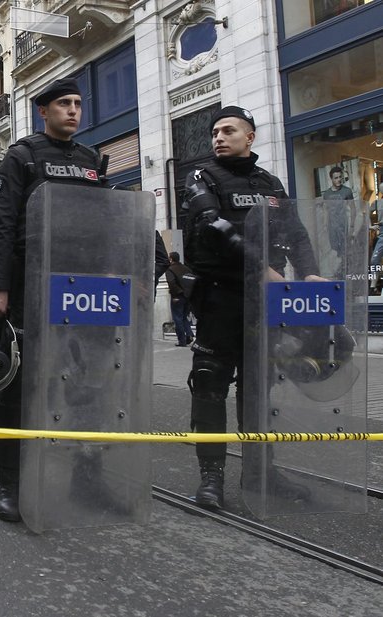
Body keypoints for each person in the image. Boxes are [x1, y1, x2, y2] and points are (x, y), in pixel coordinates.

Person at [182, 105, 321, 509]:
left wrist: (309, 272)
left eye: (228, 131)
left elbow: (295, 233)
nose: (218, 138)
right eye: (215, 132)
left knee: (259, 388)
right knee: (209, 384)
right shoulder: (201, 176)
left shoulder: (270, 183)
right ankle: (211, 478)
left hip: (266, 301)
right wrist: (261, 269)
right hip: (220, 296)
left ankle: (261, 472)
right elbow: (213, 225)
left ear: (250, 136)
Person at [0, 78, 107, 522]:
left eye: (77, 103)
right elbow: (1, 226)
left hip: (83, 288)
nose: (73, 111)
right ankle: (9, 482)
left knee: (89, 383)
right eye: (63, 104)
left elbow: (105, 220)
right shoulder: (22, 156)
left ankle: (88, 477)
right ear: (44, 111)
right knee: (24, 384)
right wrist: (0, 286)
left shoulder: (92, 160)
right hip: (32, 282)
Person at [165, 252, 195, 347]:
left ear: (171, 259)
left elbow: (171, 282)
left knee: (177, 318)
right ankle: (189, 335)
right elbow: (192, 281)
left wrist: (175, 295)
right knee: (185, 317)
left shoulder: (171, 270)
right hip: (188, 296)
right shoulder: (186, 269)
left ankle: (182, 340)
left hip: (178, 296)